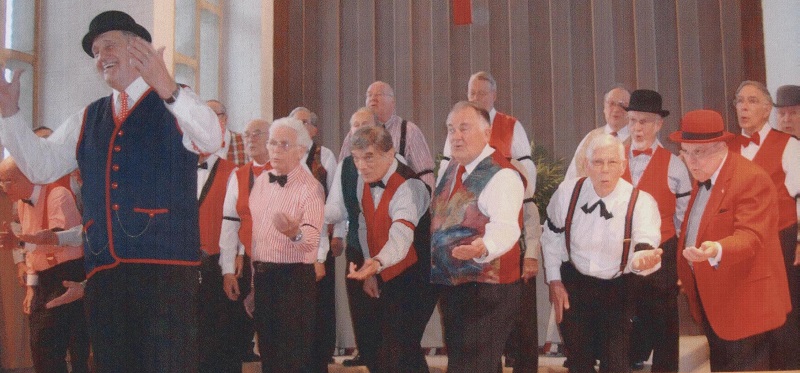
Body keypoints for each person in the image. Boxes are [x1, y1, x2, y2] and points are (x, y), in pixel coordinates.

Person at [0, 10, 222, 371]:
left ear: (139, 49)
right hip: (104, 273)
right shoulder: (89, 116)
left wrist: (166, 85)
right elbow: (41, 166)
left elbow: (212, 137)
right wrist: (9, 115)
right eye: (96, 51)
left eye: (109, 45)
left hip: (164, 271)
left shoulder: (178, 101)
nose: (101, 56)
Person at [671, 109, 791, 372]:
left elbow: (751, 237)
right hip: (716, 302)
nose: (691, 162)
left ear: (721, 147)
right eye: (685, 152)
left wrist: (716, 248)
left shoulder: (750, 178)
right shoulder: (705, 177)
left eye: (698, 153)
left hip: (747, 305)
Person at [542, 133, 663, 373]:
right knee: (578, 361)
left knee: (616, 363)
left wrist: (642, 261)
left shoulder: (641, 202)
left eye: (612, 162)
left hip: (618, 286)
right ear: (586, 166)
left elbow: (646, 244)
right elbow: (551, 236)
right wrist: (555, 280)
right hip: (574, 283)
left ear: (623, 166)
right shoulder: (567, 193)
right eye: (597, 163)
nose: (604, 170)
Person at [327, 125, 438, 372]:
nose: (361, 166)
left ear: (390, 154)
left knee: (398, 347)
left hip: (419, 278)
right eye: (356, 158)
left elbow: (401, 236)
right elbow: (365, 226)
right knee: (395, 349)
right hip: (389, 273)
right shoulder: (364, 182)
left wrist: (376, 263)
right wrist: (371, 267)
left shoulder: (410, 187)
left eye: (369, 157)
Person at [430, 101, 524, 372]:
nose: (456, 136)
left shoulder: (502, 175)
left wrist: (483, 247)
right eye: (451, 129)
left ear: (486, 133)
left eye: (464, 128)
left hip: (488, 291)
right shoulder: (452, 168)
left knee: (470, 367)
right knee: (472, 363)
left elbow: (506, 228)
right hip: (456, 288)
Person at [246, 117, 325, 372]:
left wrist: (295, 234)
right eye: (272, 143)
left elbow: (312, 241)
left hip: (294, 280)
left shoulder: (311, 189)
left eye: (284, 144)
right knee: (268, 356)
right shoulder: (261, 182)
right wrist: (253, 284)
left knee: (292, 359)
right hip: (263, 276)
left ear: (301, 151)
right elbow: (256, 238)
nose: (275, 150)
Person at [730, 81, 800, 369]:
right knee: (749, 309)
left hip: (780, 239)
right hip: (741, 242)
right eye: (740, 101)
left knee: (783, 310)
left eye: (752, 101)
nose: (744, 107)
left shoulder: (789, 145)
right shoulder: (727, 147)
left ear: (768, 109)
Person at [623, 90, 691, 372]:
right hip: (622, 254)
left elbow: (684, 219)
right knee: (623, 325)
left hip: (662, 254)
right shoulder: (612, 158)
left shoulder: (675, 165)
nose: (638, 128)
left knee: (664, 326)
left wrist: (677, 259)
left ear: (659, 124)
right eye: (633, 120)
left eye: (645, 122)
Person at [0, 158, 89, 373]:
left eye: (8, 181)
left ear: (27, 175)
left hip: (68, 276)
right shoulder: (21, 204)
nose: (3, 187)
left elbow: (61, 242)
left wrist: (22, 241)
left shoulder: (58, 196)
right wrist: (32, 287)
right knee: (41, 351)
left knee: (76, 354)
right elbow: (32, 256)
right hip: (44, 280)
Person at [218, 118, 271, 368]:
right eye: (247, 134)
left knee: (276, 338)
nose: (250, 139)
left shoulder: (287, 171)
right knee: (237, 334)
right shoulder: (238, 175)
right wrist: (228, 268)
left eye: (257, 134)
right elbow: (230, 223)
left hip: (281, 264)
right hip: (249, 262)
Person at [289, 106, 338, 373]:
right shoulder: (285, 154)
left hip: (318, 236)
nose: (296, 127)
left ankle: (320, 356)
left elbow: (331, 198)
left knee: (319, 299)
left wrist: (334, 234)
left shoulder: (324, 155)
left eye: (302, 123)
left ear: (314, 129)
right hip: (290, 241)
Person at [439, 71, 537, 190]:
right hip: (463, 197)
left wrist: (523, 196)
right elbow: (447, 166)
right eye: (472, 93)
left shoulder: (512, 126)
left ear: (494, 95)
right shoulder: (457, 127)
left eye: (481, 93)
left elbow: (526, 168)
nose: (476, 98)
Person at [338, 81, 436, 189]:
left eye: (379, 94)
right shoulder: (353, 134)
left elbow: (425, 173)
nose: (373, 98)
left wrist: (425, 202)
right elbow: (341, 173)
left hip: (400, 199)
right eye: (369, 95)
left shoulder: (409, 131)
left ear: (393, 102)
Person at [566, 86, 631, 179]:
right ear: (604, 108)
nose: (616, 109)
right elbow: (572, 177)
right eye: (611, 104)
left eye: (622, 105)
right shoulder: (591, 138)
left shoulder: (638, 142)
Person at [208, 99, 249, 165]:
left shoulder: (244, 142)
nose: (209, 119)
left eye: (214, 115)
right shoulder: (194, 146)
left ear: (225, 119)